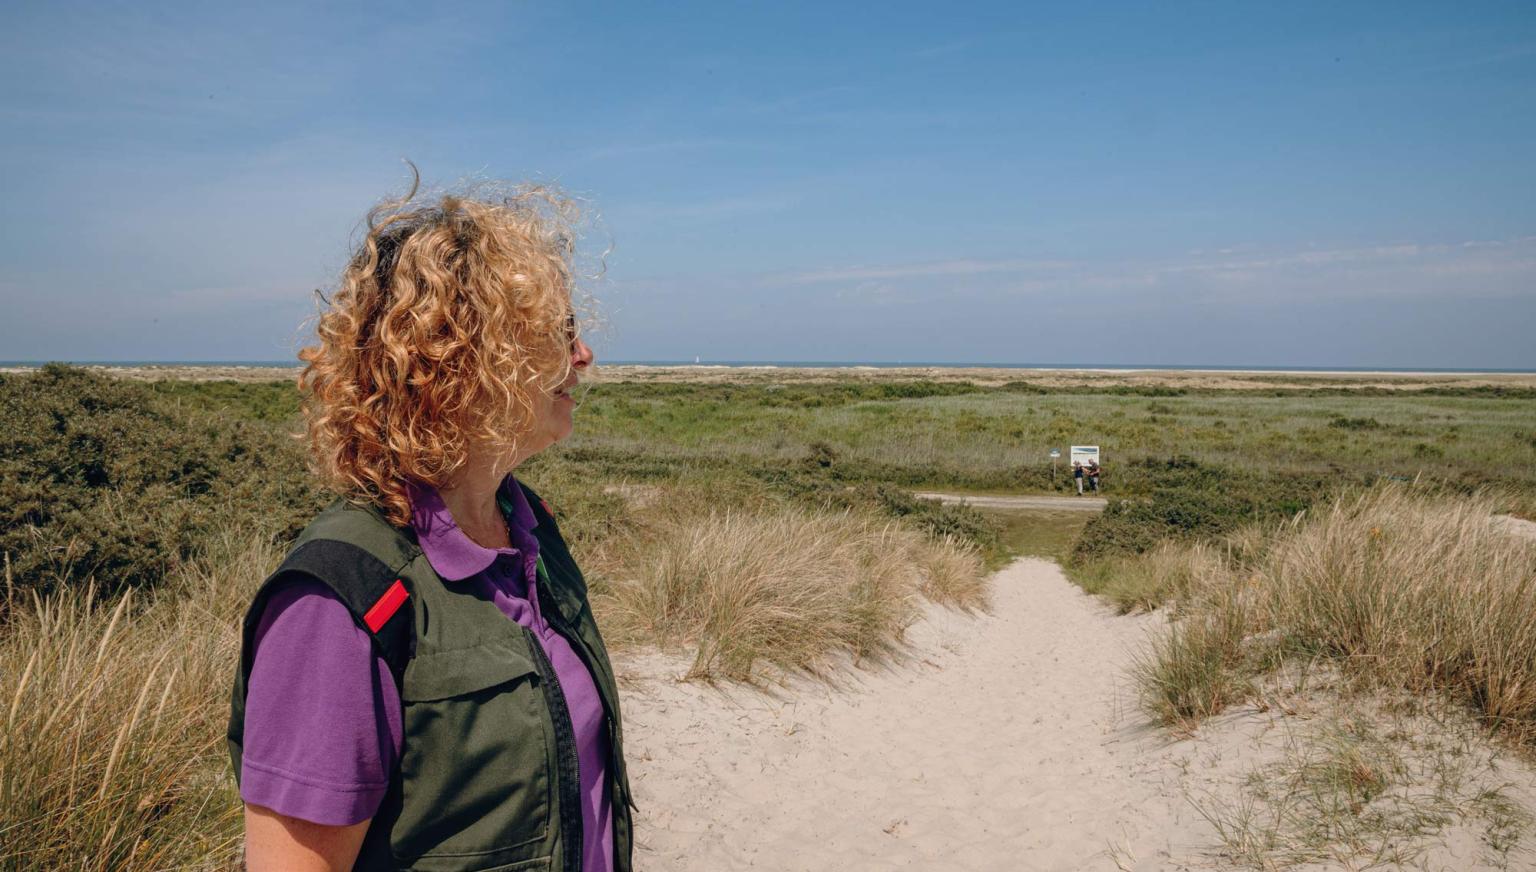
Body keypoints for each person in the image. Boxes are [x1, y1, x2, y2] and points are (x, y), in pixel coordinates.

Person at [228, 179, 633, 872]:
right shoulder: (340, 599)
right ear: (463, 354)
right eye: (559, 331)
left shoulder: (534, 535)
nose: (584, 354)